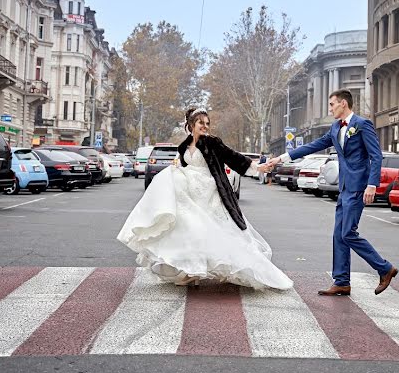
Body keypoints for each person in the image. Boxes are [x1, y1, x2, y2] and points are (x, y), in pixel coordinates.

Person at [117, 107, 292, 290]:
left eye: (207, 123)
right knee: (191, 231)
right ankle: (192, 272)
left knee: (217, 232)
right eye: (201, 123)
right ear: (191, 124)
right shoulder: (183, 146)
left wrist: (257, 167)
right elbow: (180, 165)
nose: (205, 126)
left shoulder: (213, 143)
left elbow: (233, 157)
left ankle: (222, 269)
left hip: (209, 192)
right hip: (189, 194)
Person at [264, 89, 397, 297]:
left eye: (332, 104)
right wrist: (280, 159)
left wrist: (372, 185)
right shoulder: (336, 128)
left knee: (348, 233)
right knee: (338, 235)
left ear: (343, 103)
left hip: (358, 187)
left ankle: (385, 268)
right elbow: (311, 146)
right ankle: (342, 281)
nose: (330, 108)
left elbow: (376, 157)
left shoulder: (362, 125)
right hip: (343, 188)